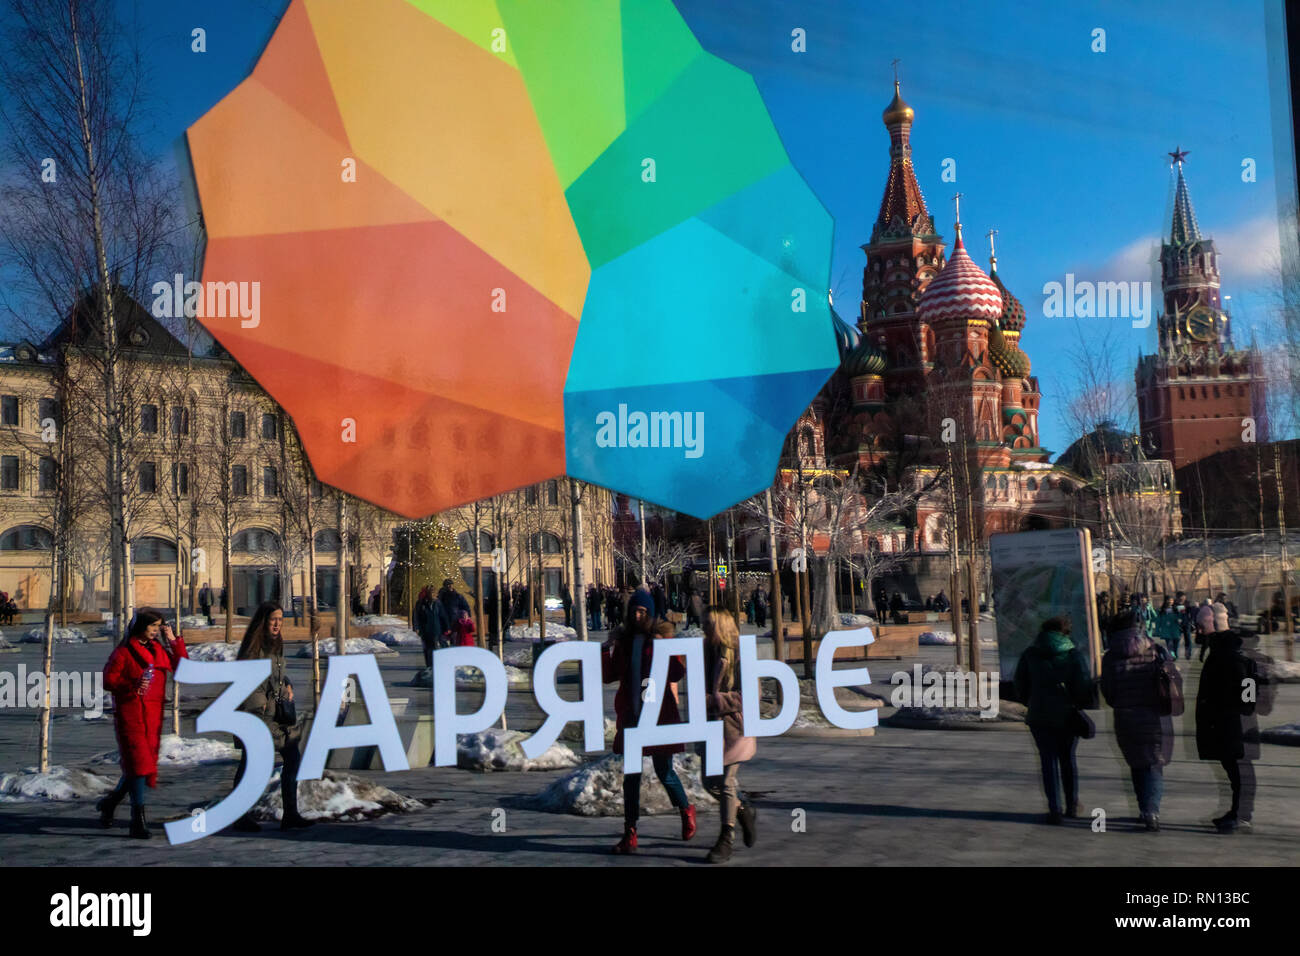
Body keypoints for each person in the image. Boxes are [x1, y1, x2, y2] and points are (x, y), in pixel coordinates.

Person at [601, 587, 695, 854]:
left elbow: (677, 674)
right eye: (635, 611)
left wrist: (666, 647)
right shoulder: (626, 641)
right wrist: (606, 648)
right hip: (631, 717)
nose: (638, 616)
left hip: (658, 716)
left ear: (651, 614)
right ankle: (630, 832)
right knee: (631, 777)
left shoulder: (661, 640)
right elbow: (609, 676)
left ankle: (686, 809)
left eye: (643, 611)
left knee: (664, 771)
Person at [98, 610, 188, 838]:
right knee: (138, 766)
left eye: (159, 625)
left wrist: (173, 640)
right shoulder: (124, 651)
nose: (156, 629)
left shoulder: (158, 649)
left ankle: (111, 803)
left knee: (141, 766)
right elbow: (108, 680)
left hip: (153, 717)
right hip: (131, 715)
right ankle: (137, 820)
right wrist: (131, 685)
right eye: (153, 626)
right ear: (141, 626)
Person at [231, 601, 314, 832]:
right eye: (273, 619)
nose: (277, 624)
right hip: (257, 716)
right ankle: (240, 815)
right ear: (263, 622)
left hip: (274, 715)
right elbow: (246, 684)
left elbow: (276, 675)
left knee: (291, 758)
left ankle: (290, 814)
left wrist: (286, 685)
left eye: (280, 619)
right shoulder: (252, 648)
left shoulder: (276, 643)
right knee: (252, 765)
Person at [1101, 609, 1177, 831]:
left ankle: (1143, 808)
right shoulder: (1155, 650)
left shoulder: (1110, 656)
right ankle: (1152, 811)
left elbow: (1108, 692)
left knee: (1136, 763)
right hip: (1153, 715)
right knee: (1153, 762)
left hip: (1125, 717)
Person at [1013, 616, 1092, 824]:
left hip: (1039, 714)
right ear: (1065, 632)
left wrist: (1031, 700)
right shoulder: (1073, 654)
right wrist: (1078, 702)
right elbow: (1083, 684)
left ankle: (1054, 809)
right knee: (1067, 759)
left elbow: (1020, 683)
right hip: (1066, 713)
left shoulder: (1030, 653)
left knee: (1047, 761)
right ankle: (1072, 804)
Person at [700, 606, 758, 863]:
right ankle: (742, 809)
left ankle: (726, 838)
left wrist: (715, 700)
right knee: (708, 783)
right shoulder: (703, 651)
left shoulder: (740, 653)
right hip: (709, 727)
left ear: (720, 626)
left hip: (734, 728)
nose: (703, 628)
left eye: (708, 624)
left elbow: (749, 695)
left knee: (725, 783)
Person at [1196, 604, 1256, 832]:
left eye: (1201, 626)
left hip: (1232, 723)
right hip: (1226, 721)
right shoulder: (1221, 650)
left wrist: (1245, 706)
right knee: (1234, 769)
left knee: (1238, 769)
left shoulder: (1229, 654)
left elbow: (1248, 682)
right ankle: (1237, 812)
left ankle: (1240, 814)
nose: (1198, 631)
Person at [415, 586, 450, 665]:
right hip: (425, 629)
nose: (433, 595)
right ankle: (429, 664)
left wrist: (447, 627)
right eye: (431, 593)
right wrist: (417, 627)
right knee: (427, 648)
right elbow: (417, 616)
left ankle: (435, 664)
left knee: (435, 647)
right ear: (427, 594)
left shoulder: (438, 603)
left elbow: (443, 616)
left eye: (434, 593)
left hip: (436, 629)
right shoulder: (421, 603)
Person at [437, 579, 470, 645]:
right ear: (444, 586)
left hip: (455, 620)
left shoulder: (458, 596)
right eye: (447, 585)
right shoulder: (441, 596)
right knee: (443, 639)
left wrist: (467, 616)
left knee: (454, 639)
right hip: (443, 621)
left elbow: (465, 607)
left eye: (450, 584)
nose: (449, 586)